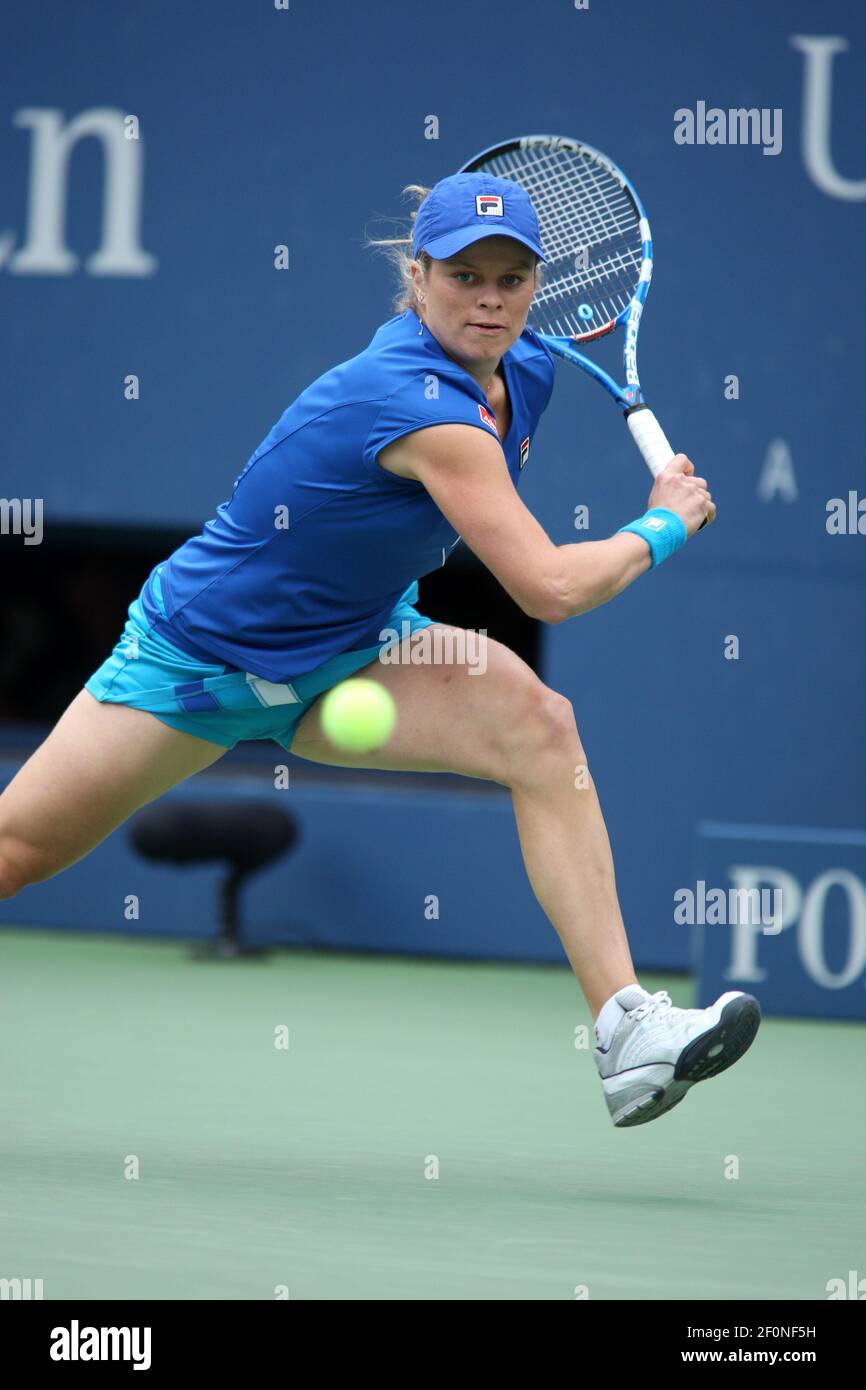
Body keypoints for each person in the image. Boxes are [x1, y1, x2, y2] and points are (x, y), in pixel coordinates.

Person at [0, 171, 759, 1126]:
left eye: (512, 277)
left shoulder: (525, 366)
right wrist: (662, 525)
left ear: (538, 285)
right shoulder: (420, 406)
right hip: (197, 663)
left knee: (539, 727)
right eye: (462, 275)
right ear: (417, 275)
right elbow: (549, 588)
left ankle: (626, 1031)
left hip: (355, 648)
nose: (489, 299)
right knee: (16, 850)